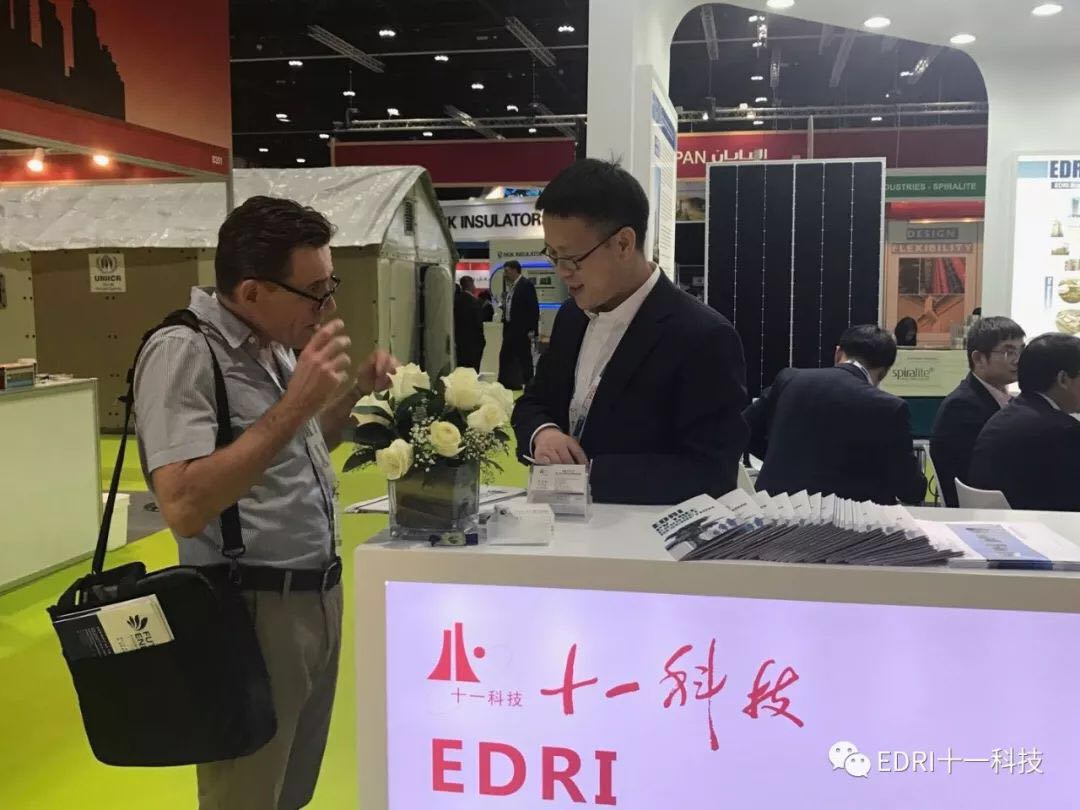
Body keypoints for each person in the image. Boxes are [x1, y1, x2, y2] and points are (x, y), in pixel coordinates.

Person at [133, 196, 398, 810]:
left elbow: (291, 450)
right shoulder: (185, 351)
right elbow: (183, 503)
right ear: (252, 292)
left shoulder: (271, 345)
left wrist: (350, 396)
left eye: (330, 286)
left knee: (290, 791)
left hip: (313, 597)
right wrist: (297, 403)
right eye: (315, 292)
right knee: (245, 794)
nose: (328, 308)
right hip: (248, 609)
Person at [512, 158, 749, 505]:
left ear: (623, 243)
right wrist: (543, 434)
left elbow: (711, 472)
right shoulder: (571, 317)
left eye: (571, 257)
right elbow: (535, 401)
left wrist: (588, 473)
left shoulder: (702, 336)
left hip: (642, 534)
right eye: (553, 255)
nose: (562, 271)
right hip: (559, 526)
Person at [745, 325, 927, 505]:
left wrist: (780, 459)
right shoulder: (890, 407)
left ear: (838, 353)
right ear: (885, 371)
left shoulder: (789, 379)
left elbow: (744, 428)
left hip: (775, 510)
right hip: (852, 518)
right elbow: (910, 490)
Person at [969, 333, 1080, 511]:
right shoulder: (1062, 430)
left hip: (1001, 521)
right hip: (1042, 524)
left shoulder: (1007, 415)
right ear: (1063, 379)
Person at [930, 316, 1025, 507]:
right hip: (981, 510)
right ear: (979, 358)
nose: (1018, 360)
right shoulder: (963, 406)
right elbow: (982, 474)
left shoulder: (999, 397)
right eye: (1009, 352)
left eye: (1022, 351)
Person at [498, 260, 539, 389]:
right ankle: (508, 382)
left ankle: (529, 384)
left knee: (523, 356)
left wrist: (532, 329)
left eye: (507, 271)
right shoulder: (512, 287)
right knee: (507, 355)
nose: (505, 274)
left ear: (514, 270)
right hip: (510, 327)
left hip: (522, 329)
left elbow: (533, 308)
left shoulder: (526, 285)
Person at [453, 275, 485, 371]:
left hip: (460, 342)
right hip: (474, 343)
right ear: (470, 285)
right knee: (473, 369)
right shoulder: (474, 302)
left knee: (462, 369)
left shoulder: (456, 301)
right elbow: (478, 323)